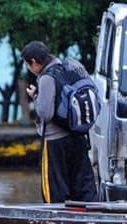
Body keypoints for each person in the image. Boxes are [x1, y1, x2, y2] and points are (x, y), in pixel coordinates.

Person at [21, 41, 98, 203]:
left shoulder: (46, 78)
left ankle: (56, 219)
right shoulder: (70, 68)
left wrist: (35, 96)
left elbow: (45, 113)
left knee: (54, 187)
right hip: (78, 136)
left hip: (55, 141)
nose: (29, 69)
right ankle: (87, 216)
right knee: (82, 184)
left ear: (34, 62)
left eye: (28, 65)